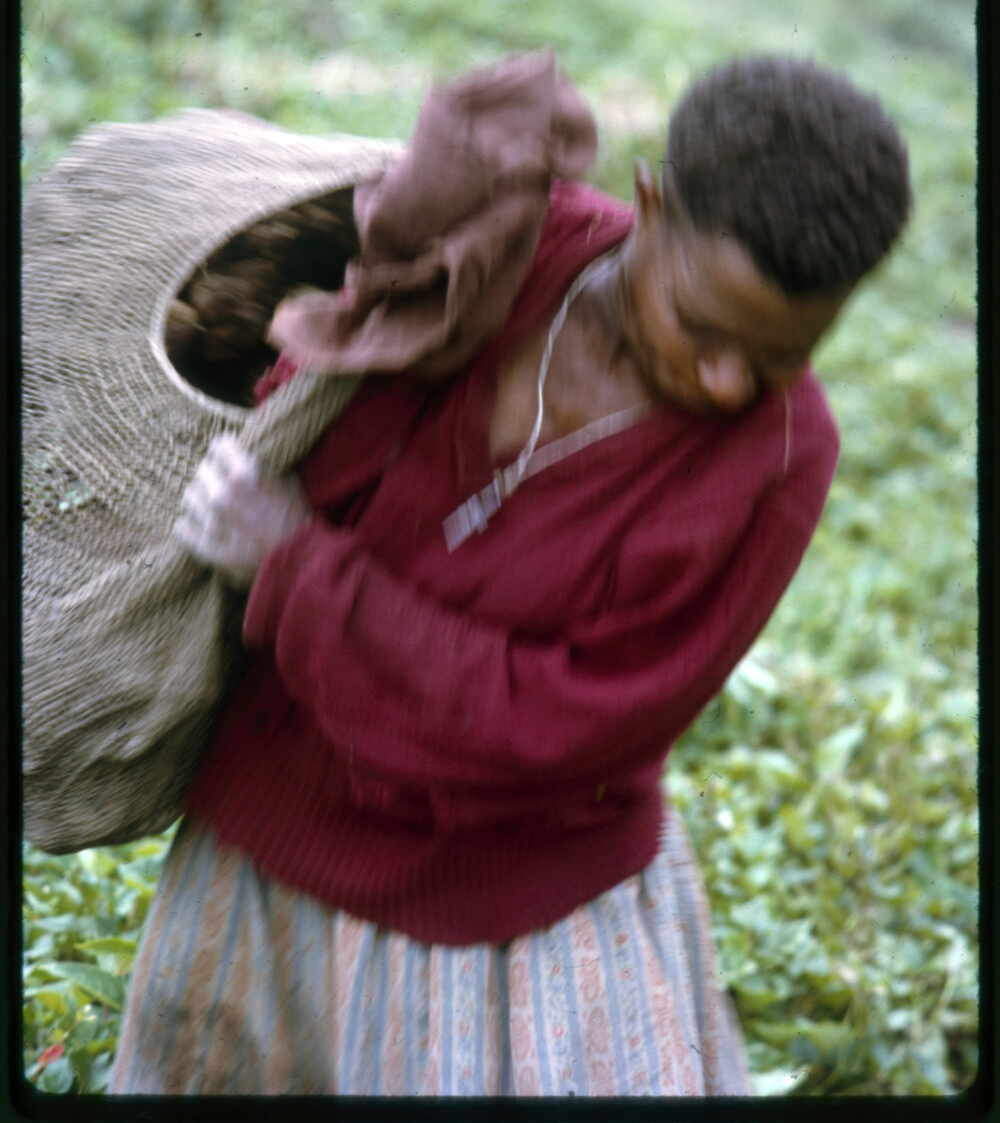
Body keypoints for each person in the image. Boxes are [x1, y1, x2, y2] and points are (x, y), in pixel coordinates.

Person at [108, 54, 911, 1097]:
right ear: (652, 204)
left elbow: (564, 723)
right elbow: (298, 407)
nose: (728, 380)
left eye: (778, 355)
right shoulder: (495, 253)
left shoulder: (777, 461)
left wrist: (296, 567)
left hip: (502, 905)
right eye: (704, 327)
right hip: (271, 827)